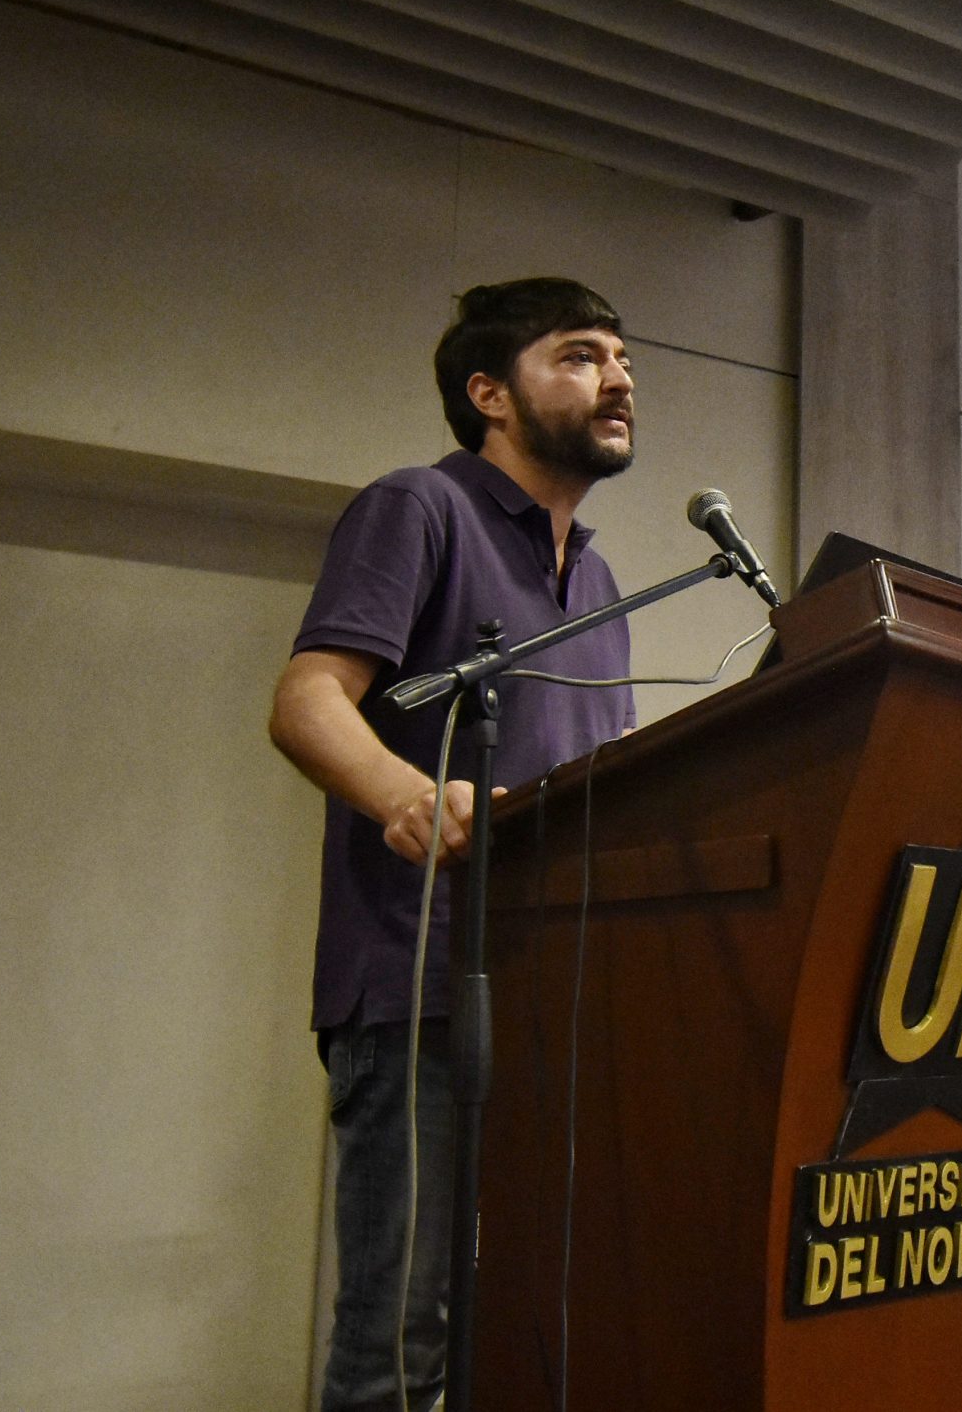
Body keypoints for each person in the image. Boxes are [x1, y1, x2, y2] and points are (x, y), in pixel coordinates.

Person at [268, 278, 640, 1411]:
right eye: (579, 356)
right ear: (489, 392)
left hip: (553, 1000)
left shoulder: (605, 580)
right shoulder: (420, 506)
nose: (617, 378)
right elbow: (306, 697)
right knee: (399, 1346)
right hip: (421, 985)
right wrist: (401, 789)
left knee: (522, 1322)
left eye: (624, 362)